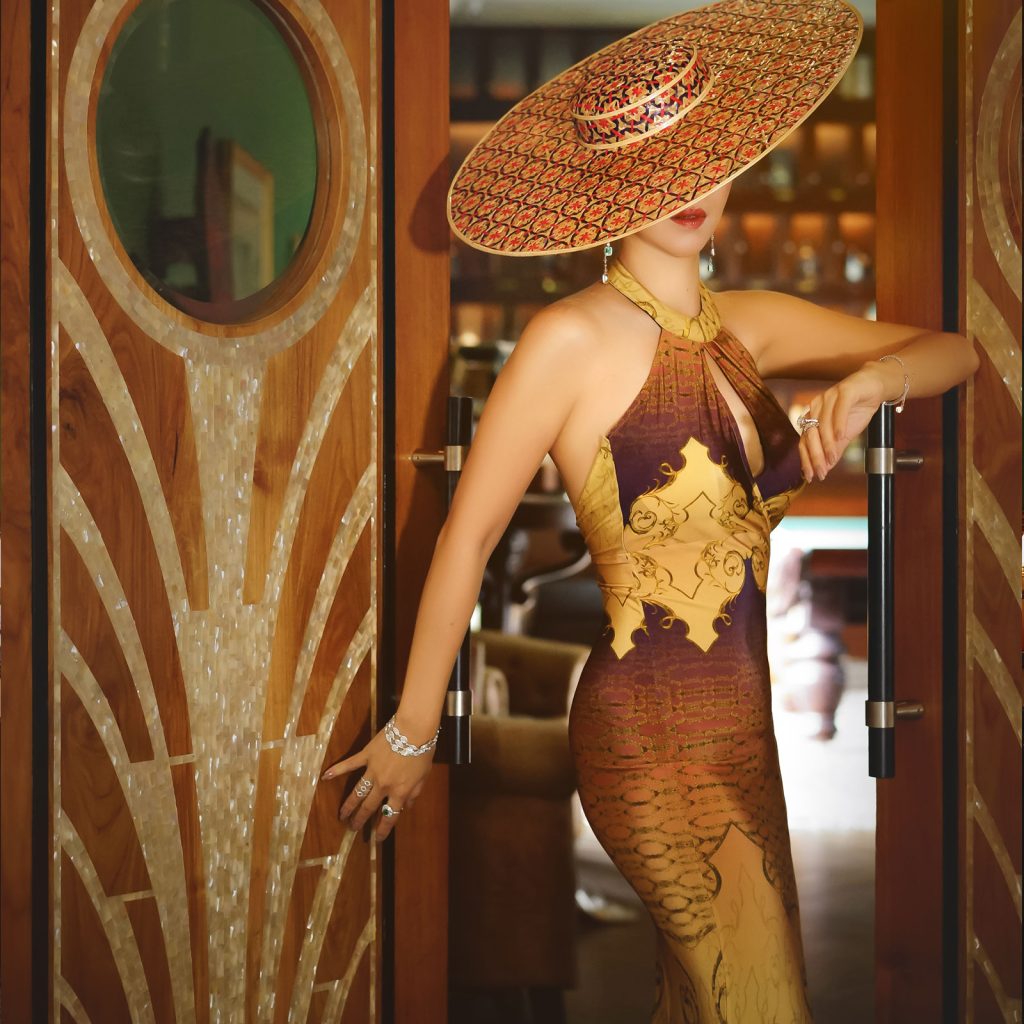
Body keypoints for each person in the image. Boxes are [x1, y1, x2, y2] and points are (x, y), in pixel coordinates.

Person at [320, 1, 979, 1019]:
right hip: (641, 734)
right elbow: (471, 532)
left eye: (702, 155)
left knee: (703, 999)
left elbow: (956, 351)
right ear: (604, 186)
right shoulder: (565, 339)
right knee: (762, 1004)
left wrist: (869, 383)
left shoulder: (751, 327)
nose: (688, 187)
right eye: (652, 167)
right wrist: (411, 731)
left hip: (744, 733)